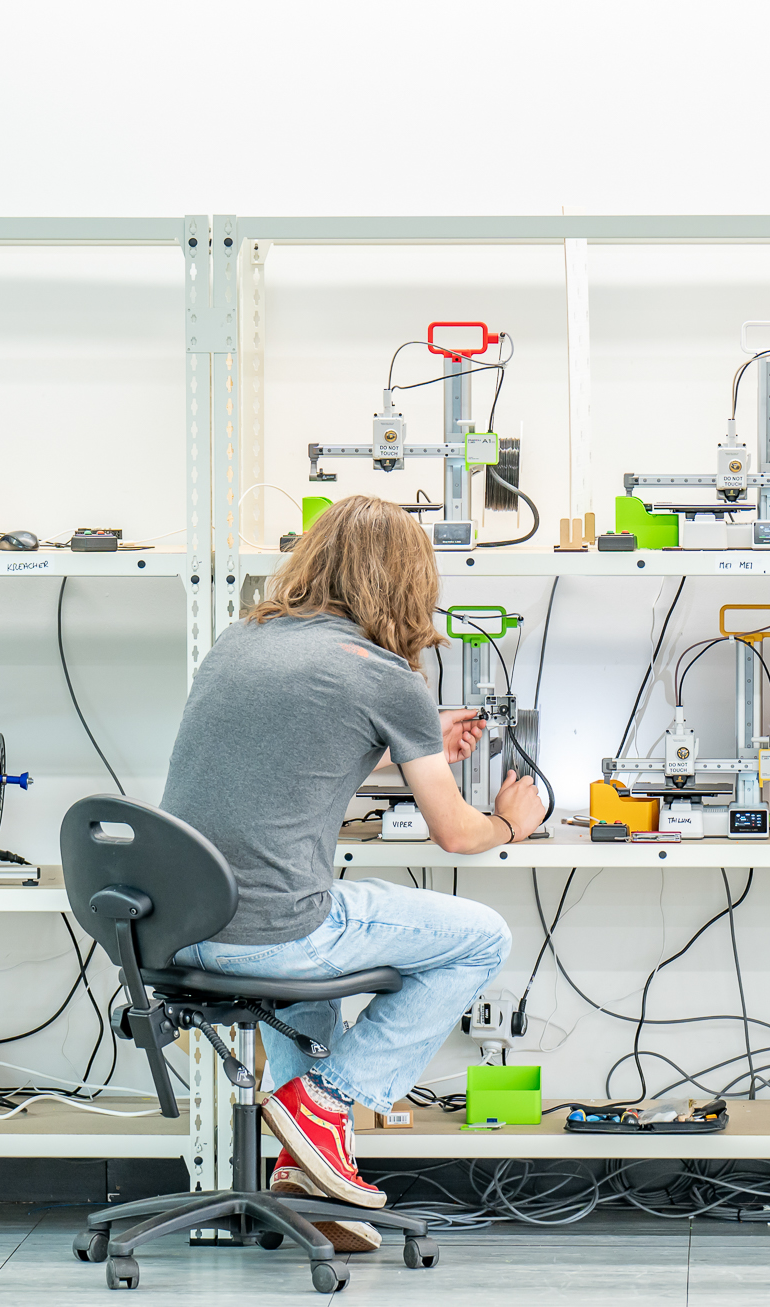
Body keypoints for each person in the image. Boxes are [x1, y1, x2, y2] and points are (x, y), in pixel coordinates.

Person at [160, 494, 546, 1251]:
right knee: (481, 938)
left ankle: (310, 1180)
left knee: (310, 987)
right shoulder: (383, 675)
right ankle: (325, 1101)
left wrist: (413, 738)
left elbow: (296, 758)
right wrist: (513, 821)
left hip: (174, 929)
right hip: (268, 935)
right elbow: (457, 834)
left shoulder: (240, 641)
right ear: (408, 582)